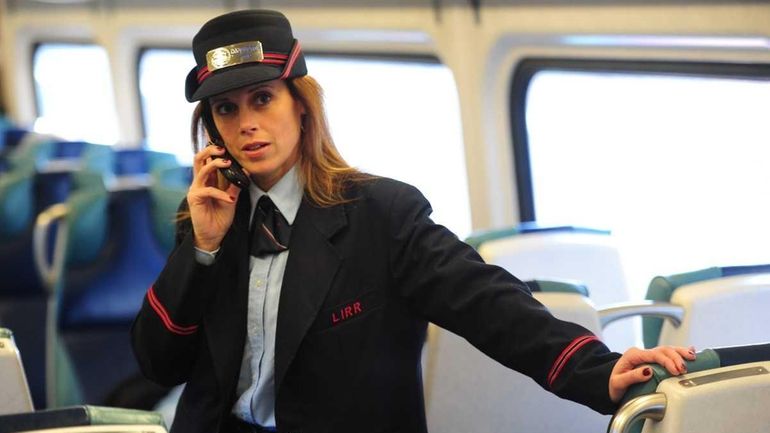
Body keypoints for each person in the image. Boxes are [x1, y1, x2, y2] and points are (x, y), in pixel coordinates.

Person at [131, 9, 696, 433]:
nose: (246, 124)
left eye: (262, 99)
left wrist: (599, 368)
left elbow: (488, 302)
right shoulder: (210, 216)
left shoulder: (380, 215)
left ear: (300, 107)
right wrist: (201, 250)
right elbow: (160, 363)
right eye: (226, 109)